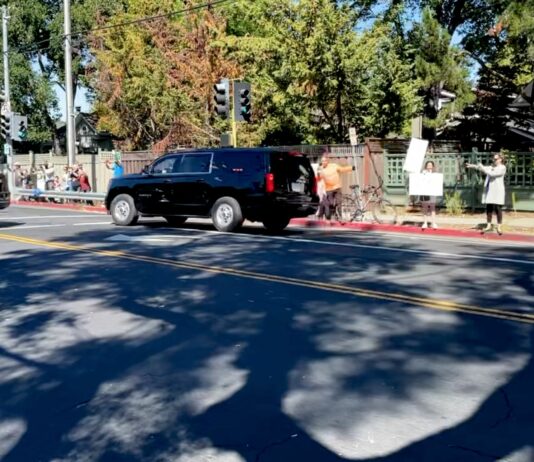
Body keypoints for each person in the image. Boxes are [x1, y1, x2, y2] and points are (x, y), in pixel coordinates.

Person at [466, 153, 506, 235]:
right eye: (493, 159)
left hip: (498, 191)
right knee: (489, 208)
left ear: (500, 159)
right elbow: (482, 168)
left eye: (495, 159)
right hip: (490, 190)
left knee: (498, 208)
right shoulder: (492, 167)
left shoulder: (502, 168)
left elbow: (492, 174)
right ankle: (488, 225)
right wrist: (472, 166)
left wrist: (482, 167)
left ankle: (499, 226)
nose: (494, 160)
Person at [317, 153, 355, 221]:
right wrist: (319, 173)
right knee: (329, 204)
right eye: (322, 161)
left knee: (339, 202)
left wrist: (351, 168)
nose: (323, 162)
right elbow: (319, 179)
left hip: (337, 187)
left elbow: (342, 169)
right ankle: (324, 215)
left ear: (327, 161)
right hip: (328, 189)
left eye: (325, 161)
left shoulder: (333, 166)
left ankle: (340, 217)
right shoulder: (321, 169)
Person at [420, 160, 438, 230]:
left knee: (432, 208)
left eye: (431, 165)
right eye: (428, 165)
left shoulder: (435, 174)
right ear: (426, 166)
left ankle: (433, 223)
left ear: (433, 166)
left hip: (432, 192)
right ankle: (425, 223)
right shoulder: (423, 173)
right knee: (425, 208)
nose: (429, 166)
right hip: (424, 192)